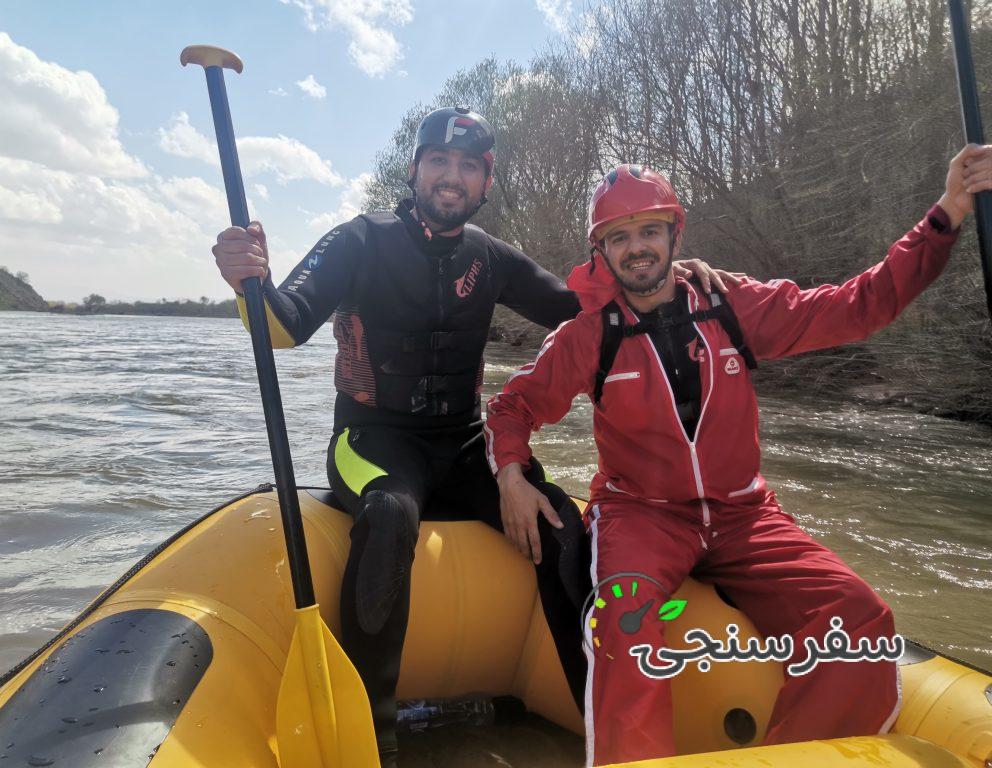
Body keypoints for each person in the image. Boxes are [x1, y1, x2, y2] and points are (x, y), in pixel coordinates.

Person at [211, 105, 732, 765]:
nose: (452, 177)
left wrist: (669, 275)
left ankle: (604, 727)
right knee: (389, 512)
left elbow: (588, 310)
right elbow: (283, 326)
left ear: (485, 183)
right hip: (372, 443)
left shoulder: (489, 257)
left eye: (468, 167)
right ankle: (377, 735)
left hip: (463, 446)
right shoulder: (359, 239)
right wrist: (247, 279)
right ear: (415, 170)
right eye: (439, 162)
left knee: (560, 528)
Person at [485, 145, 992, 766]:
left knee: (860, 618)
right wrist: (511, 472)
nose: (637, 248)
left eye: (649, 230)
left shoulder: (732, 305)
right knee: (624, 621)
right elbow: (513, 406)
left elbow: (862, 304)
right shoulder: (588, 335)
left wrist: (947, 212)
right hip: (640, 515)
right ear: (602, 251)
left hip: (745, 515)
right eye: (619, 237)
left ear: (675, 234)